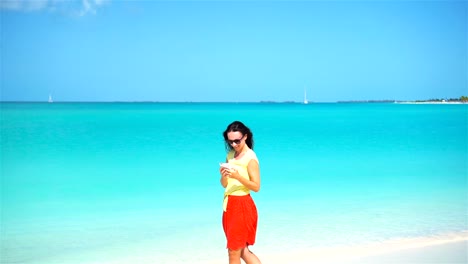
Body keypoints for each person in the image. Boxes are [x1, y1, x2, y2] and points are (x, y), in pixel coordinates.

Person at [220, 121, 262, 264]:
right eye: (230, 141)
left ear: (245, 137)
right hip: (229, 205)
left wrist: (238, 176)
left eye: (237, 141)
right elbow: (224, 184)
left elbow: (256, 187)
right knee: (242, 250)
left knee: (233, 251)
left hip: (242, 205)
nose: (233, 144)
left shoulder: (250, 158)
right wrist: (224, 175)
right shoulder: (230, 155)